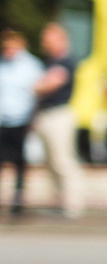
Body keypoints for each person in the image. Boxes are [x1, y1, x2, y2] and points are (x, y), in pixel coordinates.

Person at [30, 22, 82, 221]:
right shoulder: (50, 61)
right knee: (51, 163)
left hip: (59, 116)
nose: (44, 41)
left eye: (47, 36)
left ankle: (72, 206)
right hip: (47, 115)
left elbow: (47, 85)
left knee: (63, 161)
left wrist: (36, 85)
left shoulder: (66, 60)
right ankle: (59, 203)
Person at [0, 27, 40, 218]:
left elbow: (37, 93)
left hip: (22, 120)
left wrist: (33, 119)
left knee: (20, 162)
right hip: (3, 119)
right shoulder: (3, 65)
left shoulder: (31, 66)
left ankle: (18, 199)